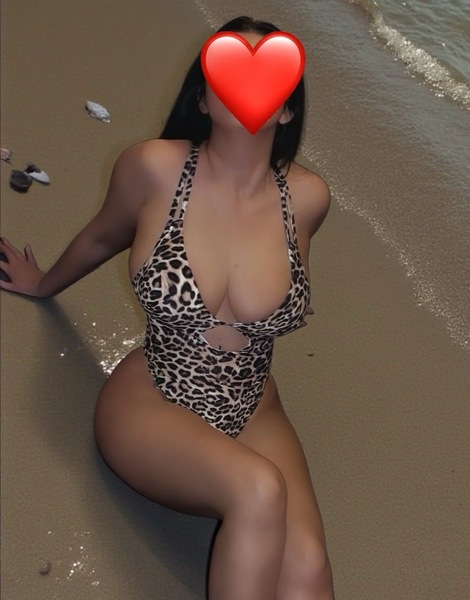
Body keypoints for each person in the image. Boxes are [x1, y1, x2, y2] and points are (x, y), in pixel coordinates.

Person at [0, 16, 334, 600]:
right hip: (153, 397)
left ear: (287, 110)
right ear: (202, 98)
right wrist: (43, 284)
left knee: (306, 570)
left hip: (255, 409)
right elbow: (103, 236)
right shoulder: (153, 167)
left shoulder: (307, 198)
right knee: (258, 490)